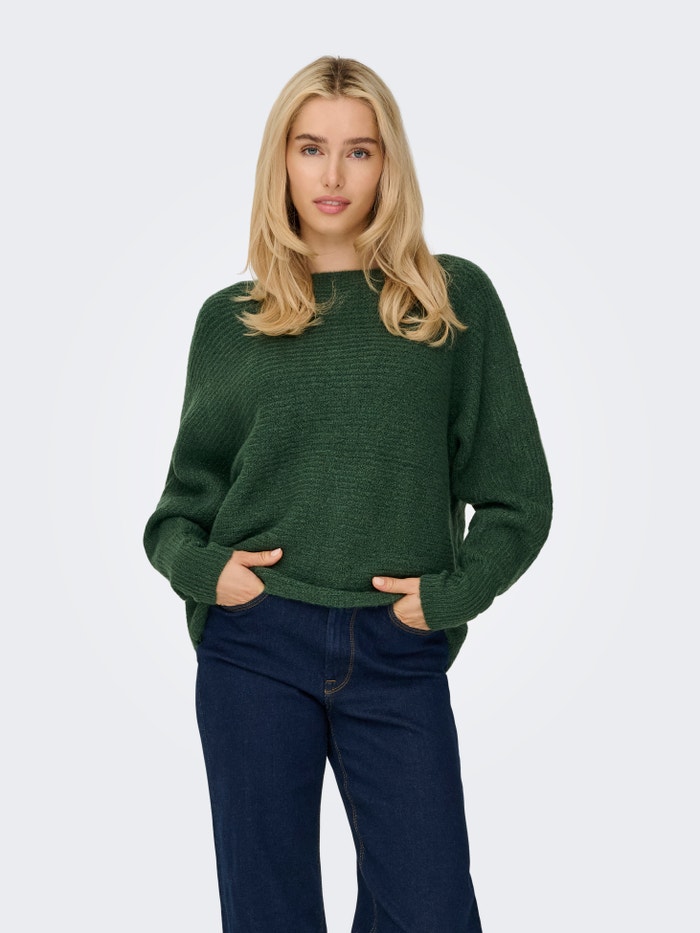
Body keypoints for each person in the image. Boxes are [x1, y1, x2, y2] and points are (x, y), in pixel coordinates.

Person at [143, 55, 552, 933]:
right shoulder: (232, 321)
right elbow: (177, 512)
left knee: (432, 911)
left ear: (387, 163)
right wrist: (210, 575)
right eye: (311, 148)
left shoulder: (449, 302)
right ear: (281, 160)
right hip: (256, 643)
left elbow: (518, 496)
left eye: (358, 151)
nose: (333, 175)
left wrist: (452, 594)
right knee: (268, 914)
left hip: (397, 648)